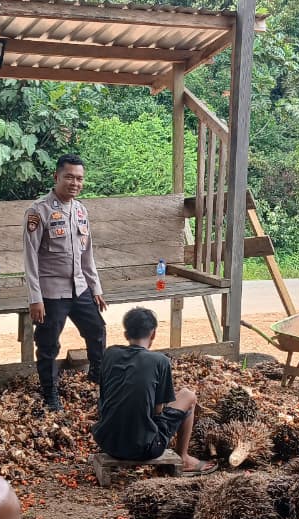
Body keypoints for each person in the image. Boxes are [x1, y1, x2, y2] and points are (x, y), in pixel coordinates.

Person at [22, 154, 107, 411]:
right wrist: (35, 298)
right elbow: (30, 258)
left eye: (79, 178)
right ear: (56, 177)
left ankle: (97, 375)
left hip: (79, 287)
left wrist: (96, 288)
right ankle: (50, 395)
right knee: (48, 345)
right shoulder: (39, 211)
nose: (74, 182)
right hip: (51, 292)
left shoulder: (81, 210)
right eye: (69, 177)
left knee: (97, 330)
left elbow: (87, 254)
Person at [92, 308, 217, 475]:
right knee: (188, 396)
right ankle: (184, 457)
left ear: (126, 334)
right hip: (144, 448)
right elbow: (157, 411)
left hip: (106, 442)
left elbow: (104, 396)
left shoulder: (110, 354)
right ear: (153, 334)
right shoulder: (160, 361)